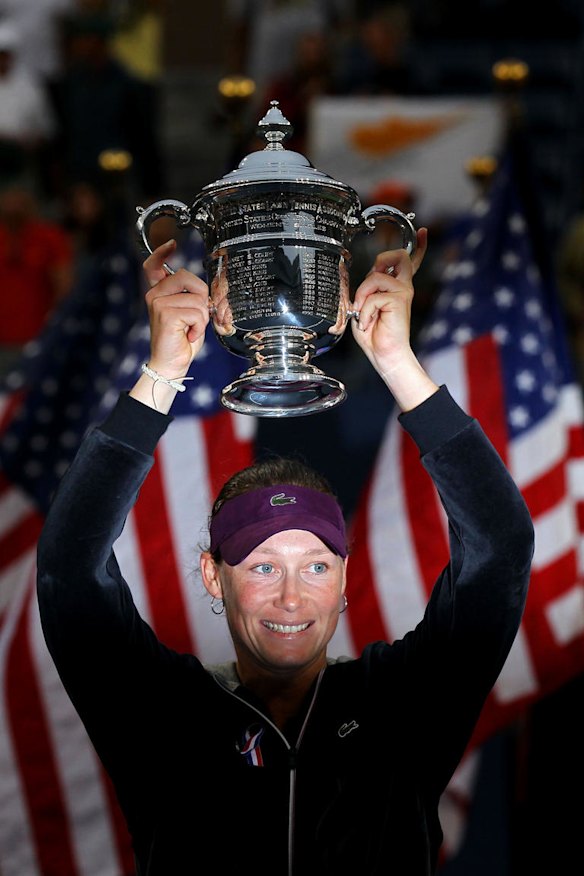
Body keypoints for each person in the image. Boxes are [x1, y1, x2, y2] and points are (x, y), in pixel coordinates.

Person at [36, 230, 534, 875]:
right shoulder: (162, 715)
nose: (292, 599)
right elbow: (69, 569)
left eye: (316, 566)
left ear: (345, 576)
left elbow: (501, 546)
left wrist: (396, 362)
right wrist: (162, 373)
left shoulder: (404, 704)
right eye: (263, 567)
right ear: (214, 578)